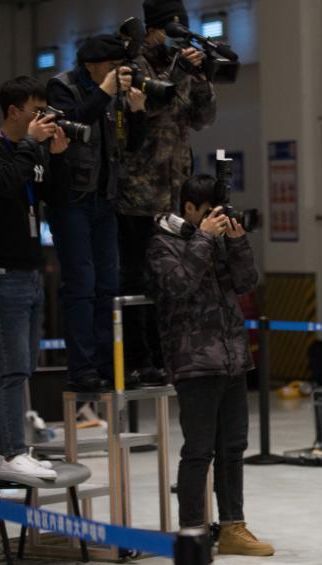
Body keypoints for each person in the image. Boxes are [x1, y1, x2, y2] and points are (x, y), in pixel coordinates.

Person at [147, 174, 273, 555]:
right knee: (199, 449)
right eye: (209, 212)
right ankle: (192, 531)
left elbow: (246, 281)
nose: (216, 218)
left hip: (233, 357)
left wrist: (236, 241)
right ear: (189, 208)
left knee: (233, 448)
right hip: (194, 361)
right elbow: (179, 286)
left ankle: (233, 526)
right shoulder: (162, 243)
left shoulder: (218, 241)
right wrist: (203, 238)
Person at [115, 0, 217, 386]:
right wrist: (177, 69)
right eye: (168, 34)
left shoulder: (183, 68)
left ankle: (165, 354)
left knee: (170, 279)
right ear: (153, 30)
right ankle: (139, 358)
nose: (173, 43)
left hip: (174, 194)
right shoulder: (133, 66)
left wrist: (201, 75)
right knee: (137, 277)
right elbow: (149, 108)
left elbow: (203, 119)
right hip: (138, 193)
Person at [46, 34, 148, 392]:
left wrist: (137, 114)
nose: (118, 72)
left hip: (105, 199)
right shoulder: (62, 86)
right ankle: (82, 368)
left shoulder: (115, 93)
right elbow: (70, 124)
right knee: (81, 286)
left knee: (108, 286)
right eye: (112, 66)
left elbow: (131, 145)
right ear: (91, 65)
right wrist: (104, 91)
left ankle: (108, 366)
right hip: (70, 200)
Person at [0, 76, 69, 479]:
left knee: (24, 366)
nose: (42, 119)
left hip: (31, 270)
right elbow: (3, 184)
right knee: (11, 367)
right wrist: (32, 146)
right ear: (13, 111)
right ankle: (12, 450)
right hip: (2, 272)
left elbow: (45, 194)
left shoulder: (29, 151)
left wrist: (55, 156)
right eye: (36, 112)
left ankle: (5, 452)